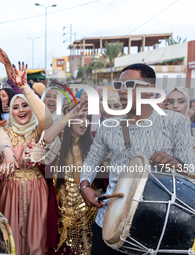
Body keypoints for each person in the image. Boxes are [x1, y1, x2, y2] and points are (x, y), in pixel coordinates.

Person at [79, 64, 195, 255]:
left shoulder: (175, 122)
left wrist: (176, 164)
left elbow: (190, 170)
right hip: (110, 223)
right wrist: (84, 186)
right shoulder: (109, 126)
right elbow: (92, 160)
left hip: (158, 225)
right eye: (120, 86)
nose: (122, 91)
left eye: (131, 85)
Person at [0, 63, 59, 255]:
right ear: (10, 111)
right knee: (10, 237)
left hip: (37, 190)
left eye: (25, 106)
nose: (21, 110)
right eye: (16, 107)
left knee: (37, 239)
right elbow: (0, 139)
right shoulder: (3, 130)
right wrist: (7, 152)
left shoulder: (38, 132)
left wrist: (24, 88)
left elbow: (47, 118)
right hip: (8, 190)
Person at [45, 100, 97, 255]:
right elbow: (46, 138)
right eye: (80, 118)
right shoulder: (58, 144)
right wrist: (70, 114)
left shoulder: (91, 145)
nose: (84, 123)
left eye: (88, 118)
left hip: (87, 213)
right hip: (62, 214)